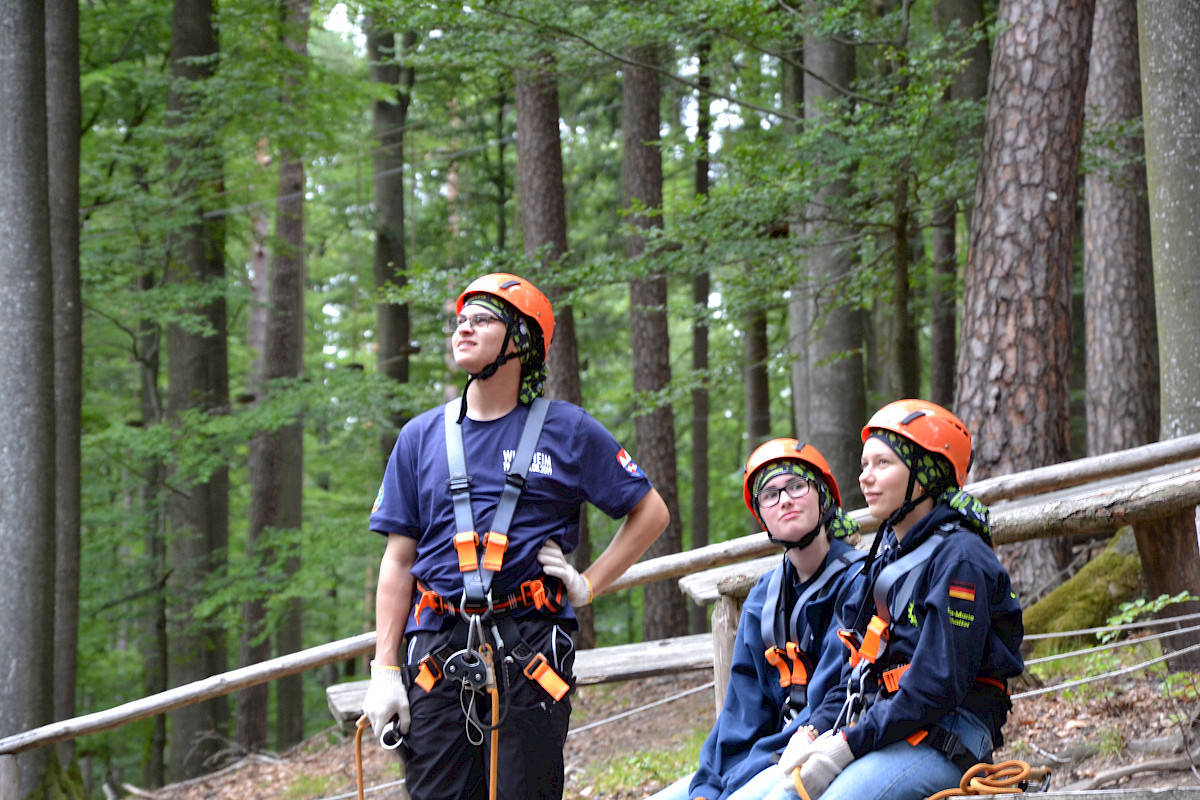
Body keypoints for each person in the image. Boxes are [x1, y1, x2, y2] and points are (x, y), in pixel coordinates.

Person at [363, 272, 670, 800]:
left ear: (522, 340)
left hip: (530, 649)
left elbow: (651, 512)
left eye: (483, 320)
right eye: (460, 320)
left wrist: (589, 583)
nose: (464, 329)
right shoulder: (420, 438)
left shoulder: (569, 430)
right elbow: (397, 562)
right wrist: (385, 669)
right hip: (437, 649)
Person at [767, 399, 1024, 800]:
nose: (865, 478)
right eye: (864, 465)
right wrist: (813, 730)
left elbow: (935, 689)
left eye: (882, 464)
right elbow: (856, 667)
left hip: (945, 735)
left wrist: (848, 745)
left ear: (925, 473)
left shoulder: (961, 561)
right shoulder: (887, 555)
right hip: (885, 725)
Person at [648, 438, 866, 800]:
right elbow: (740, 711)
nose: (785, 499)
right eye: (770, 494)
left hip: (816, 747)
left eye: (797, 485)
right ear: (761, 514)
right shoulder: (764, 598)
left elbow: (836, 699)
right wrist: (708, 784)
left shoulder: (858, 582)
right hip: (766, 755)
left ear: (823, 496)